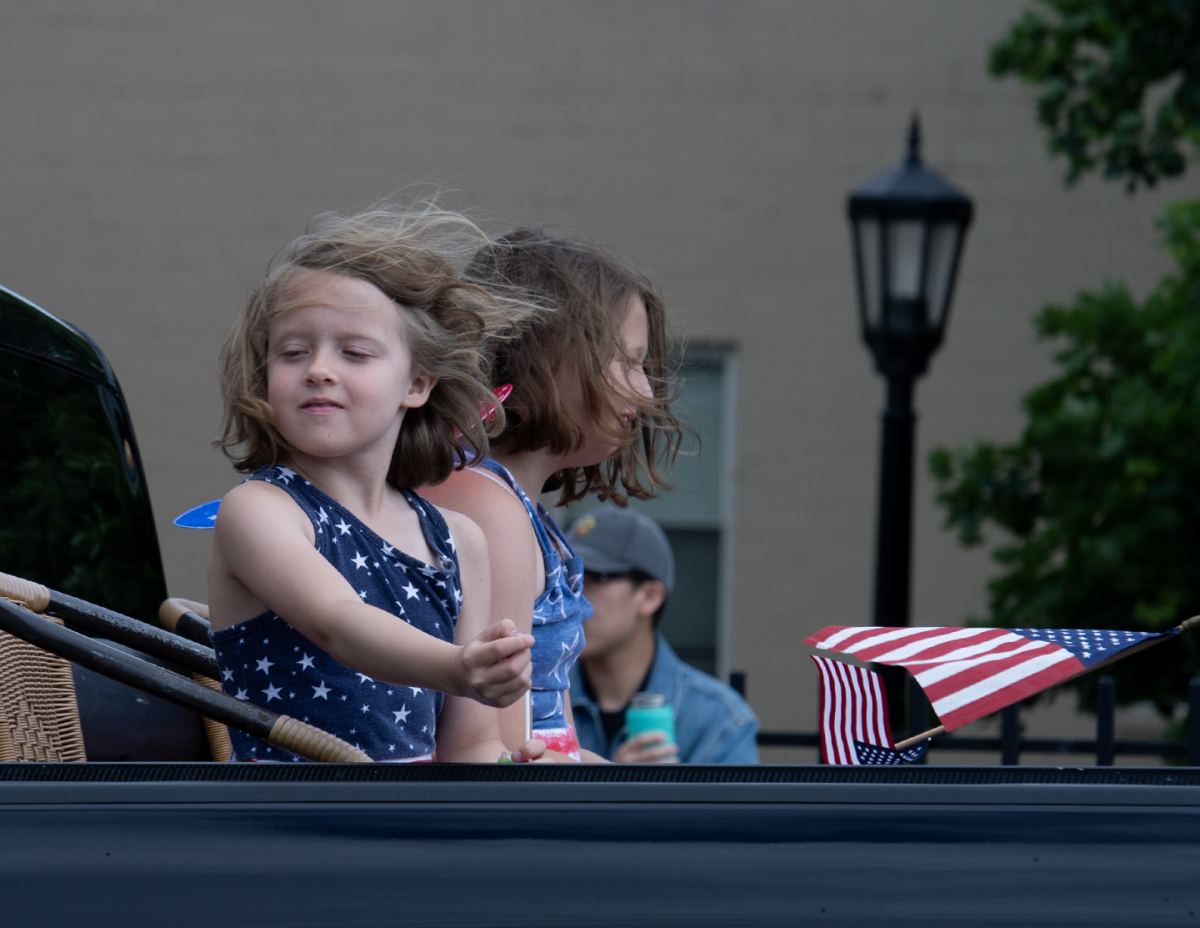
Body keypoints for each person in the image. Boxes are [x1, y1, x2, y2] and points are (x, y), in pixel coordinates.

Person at [206, 205, 545, 764]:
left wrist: (507, 788)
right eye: (293, 352)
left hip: (409, 838)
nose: (318, 368)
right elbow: (340, 624)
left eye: (354, 352)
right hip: (291, 835)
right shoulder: (260, 511)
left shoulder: (460, 541)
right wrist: (458, 667)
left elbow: (470, 744)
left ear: (416, 383)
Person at [420, 228, 683, 761]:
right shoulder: (488, 508)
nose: (646, 391)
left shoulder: (512, 505)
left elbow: (550, 729)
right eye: (625, 362)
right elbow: (506, 746)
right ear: (543, 353)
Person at [567, 506, 759, 763]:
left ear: (649, 596)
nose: (569, 597)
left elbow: (735, 806)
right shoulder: (536, 702)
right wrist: (613, 790)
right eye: (565, 578)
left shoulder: (720, 719)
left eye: (592, 580)